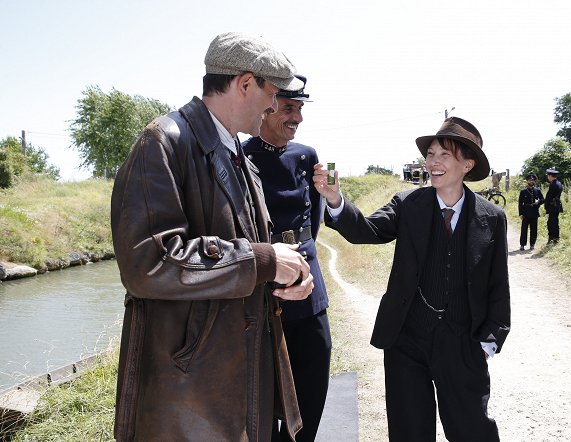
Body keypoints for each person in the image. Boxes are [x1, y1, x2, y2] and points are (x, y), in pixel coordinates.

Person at [110, 32, 314, 442]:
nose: (275, 107)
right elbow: (149, 264)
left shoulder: (236, 155)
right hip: (190, 393)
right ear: (244, 84)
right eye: (272, 93)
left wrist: (288, 272)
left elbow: (251, 254)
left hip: (235, 378)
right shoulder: (163, 142)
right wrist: (263, 261)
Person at [313, 117, 510, 441]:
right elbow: (368, 231)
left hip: (462, 345)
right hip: (407, 341)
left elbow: (497, 285)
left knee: (473, 431)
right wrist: (335, 199)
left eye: (444, 155)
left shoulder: (492, 218)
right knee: (409, 433)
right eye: (430, 154)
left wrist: (487, 344)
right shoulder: (408, 205)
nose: (433, 162)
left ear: (467, 164)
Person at [241, 75, 331, 442]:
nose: (298, 118)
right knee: (263, 393)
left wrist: (300, 253)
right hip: (260, 288)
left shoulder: (307, 156)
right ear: (268, 105)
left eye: (301, 109)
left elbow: (316, 214)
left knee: (314, 372)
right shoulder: (239, 155)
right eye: (290, 108)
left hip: (308, 284)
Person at [518, 173, 545, 250]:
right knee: (524, 229)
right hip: (526, 212)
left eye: (533, 180)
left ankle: (532, 244)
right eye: (530, 180)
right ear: (527, 181)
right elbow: (520, 203)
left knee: (534, 230)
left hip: (534, 212)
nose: (531, 181)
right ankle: (522, 244)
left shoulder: (537, 190)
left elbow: (543, 199)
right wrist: (520, 213)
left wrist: (538, 202)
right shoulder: (523, 191)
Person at [544, 167, 564, 244]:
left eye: (548, 175)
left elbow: (549, 197)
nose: (547, 177)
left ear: (550, 176)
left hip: (552, 206)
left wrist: (546, 205)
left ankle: (552, 238)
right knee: (555, 222)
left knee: (551, 223)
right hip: (557, 205)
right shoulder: (559, 183)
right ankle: (556, 238)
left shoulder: (553, 185)